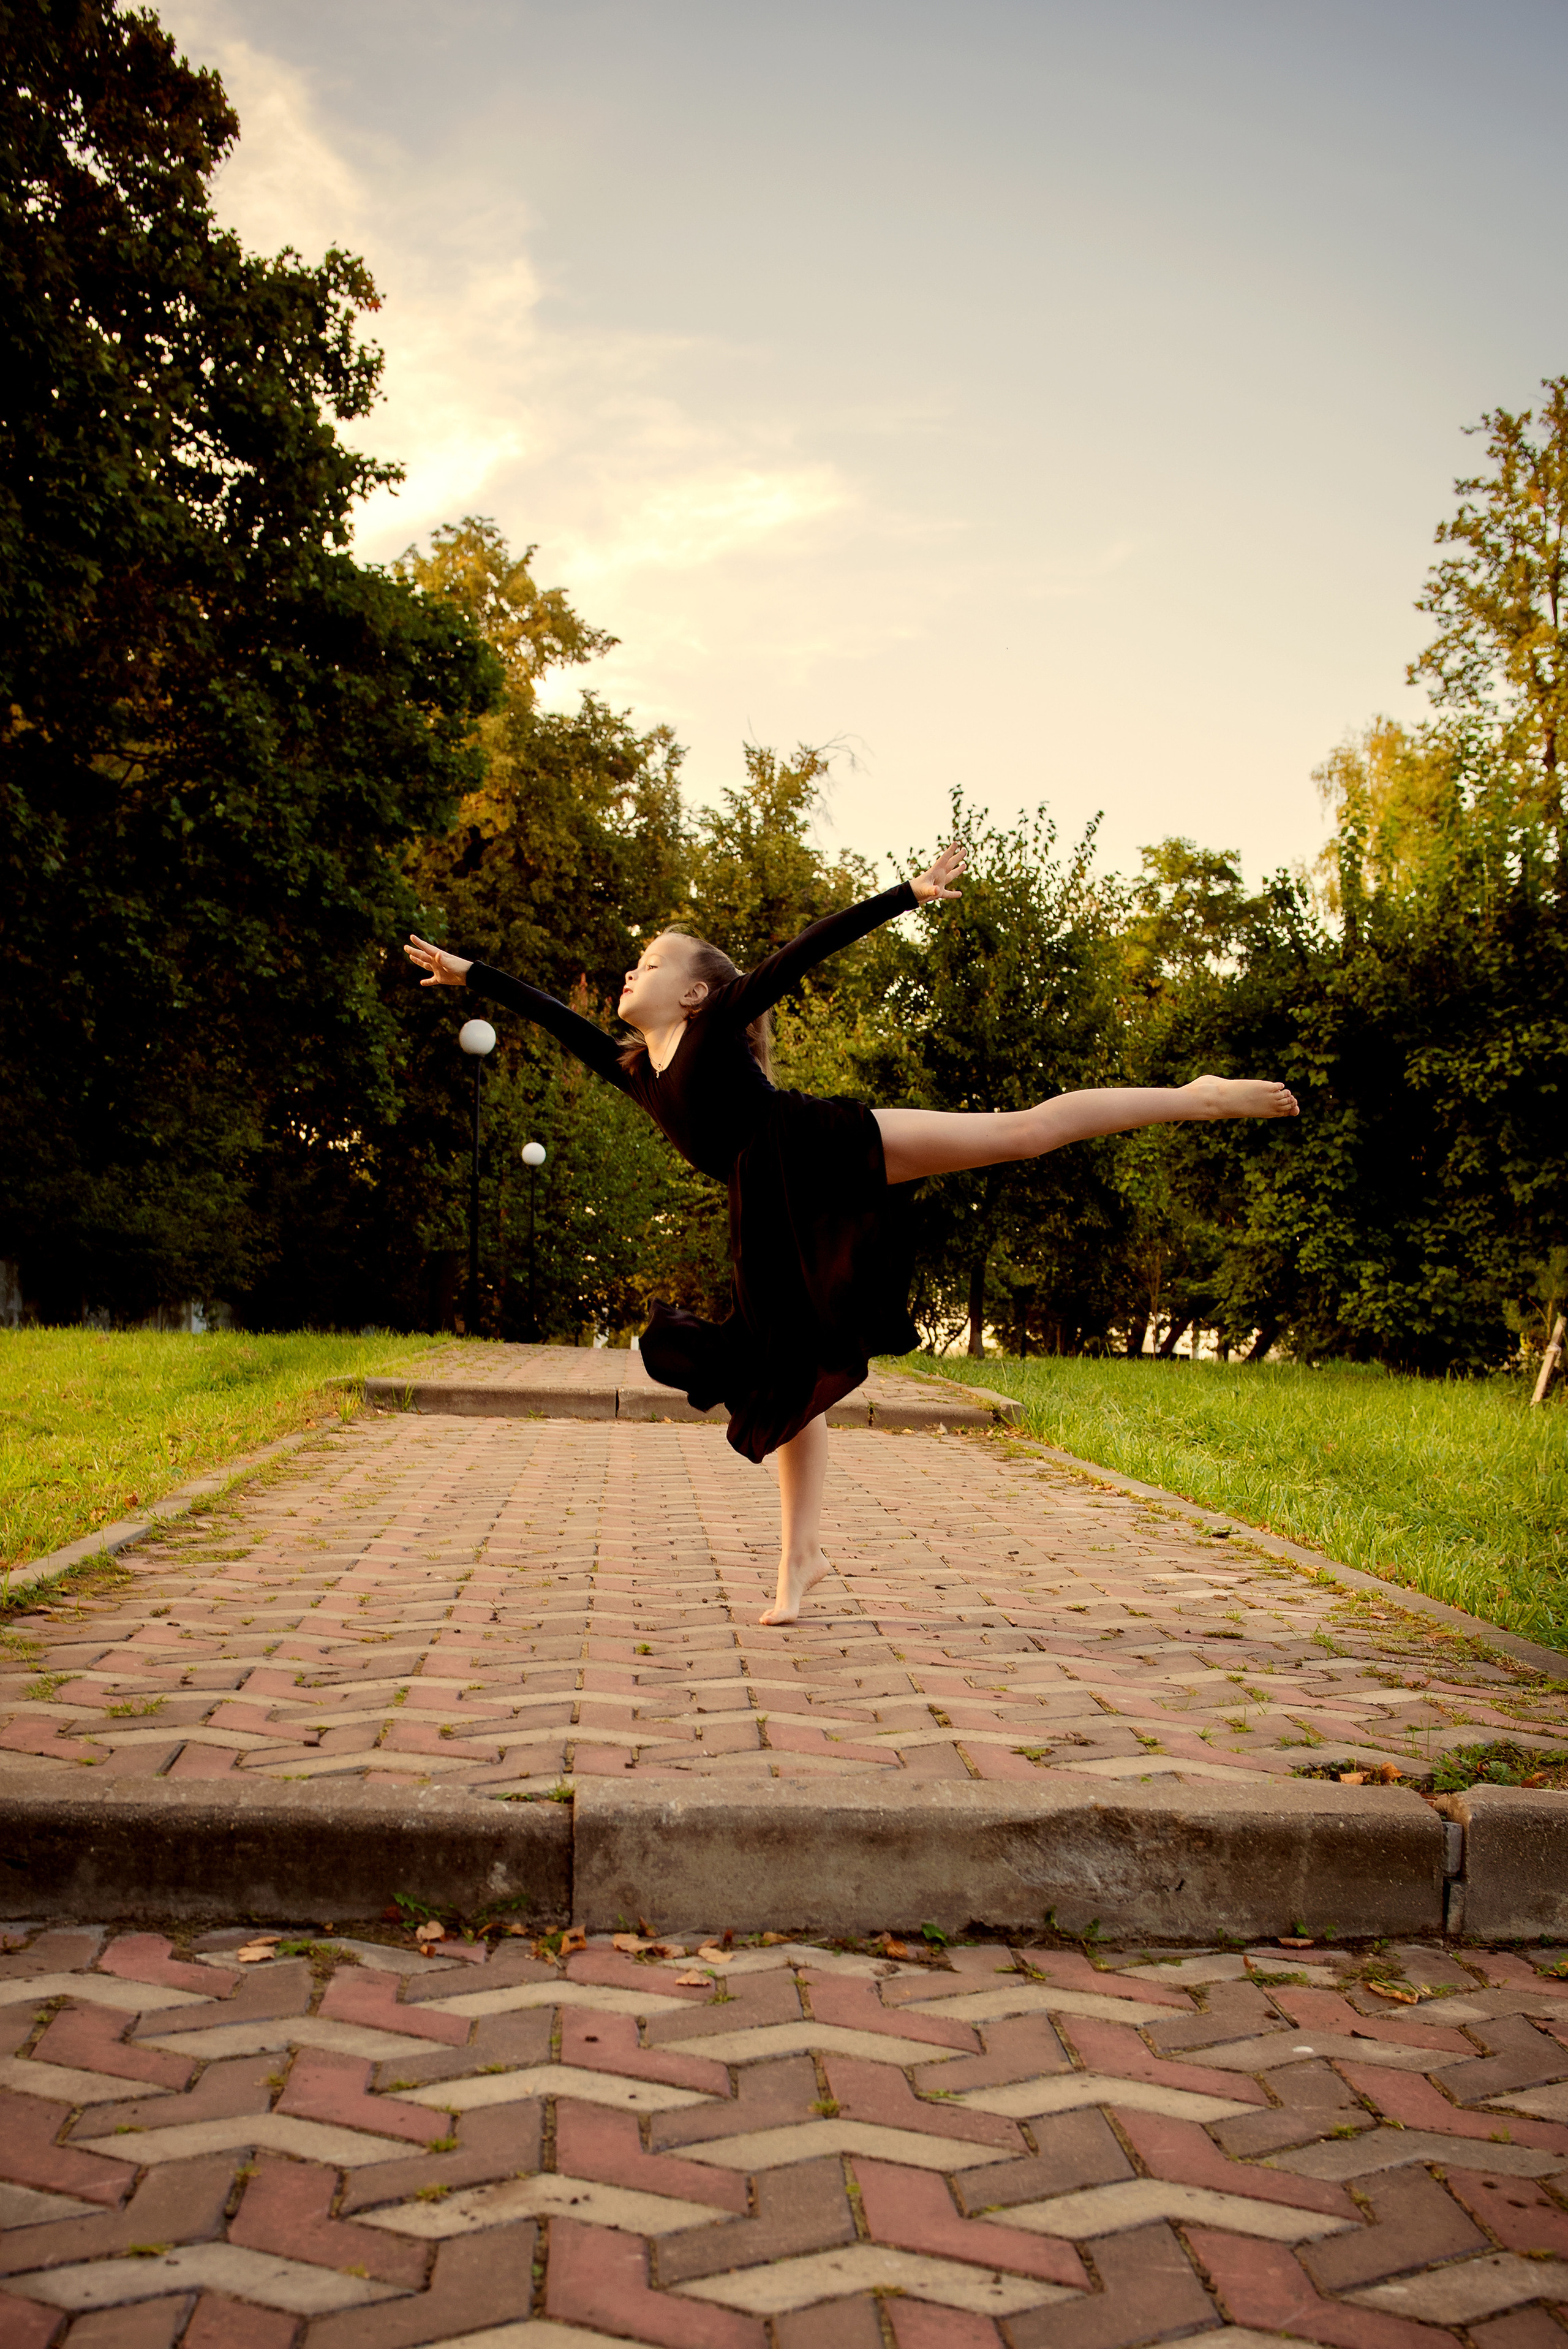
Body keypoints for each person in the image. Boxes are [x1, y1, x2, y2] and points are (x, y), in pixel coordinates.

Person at [405, 846, 1298, 1624]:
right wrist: (470, 973)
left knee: (1017, 1131)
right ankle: (801, 1562)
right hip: (771, 1208)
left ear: (697, 990)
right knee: (788, 1370)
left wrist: (905, 894)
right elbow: (560, 1022)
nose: (628, 973)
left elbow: (803, 951)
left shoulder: (715, 1027)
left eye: (648, 961)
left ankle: (1195, 1095)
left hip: (818, 1146)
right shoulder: (639, 1070)